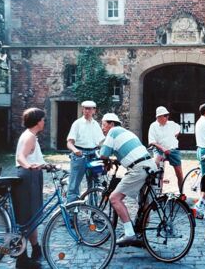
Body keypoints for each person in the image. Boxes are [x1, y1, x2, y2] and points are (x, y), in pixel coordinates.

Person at [99, 113, 157, 246]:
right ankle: (141, 236)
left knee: (114, 198)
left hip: (138, 168)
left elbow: (103, 154)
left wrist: (104, 158)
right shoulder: (126, 132)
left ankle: (129, 233)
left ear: (112, 124)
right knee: (145, 203)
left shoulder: (113, 132)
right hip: (150, 165)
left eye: (103, 124)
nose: (102, 128)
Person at [13, 108, 46, 268]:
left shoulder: (31, 136)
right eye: (43, 119)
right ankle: (21, 259)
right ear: (38, 121)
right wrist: (29, 166)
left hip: (32, 176)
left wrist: (45, 165)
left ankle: (35, 249)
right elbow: (21, 157)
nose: (44, 122)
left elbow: (32, 157)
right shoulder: (30, 137)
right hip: (27, 177)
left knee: (32, 216)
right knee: (26, 218)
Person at [66, 100, 105, 203]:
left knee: (94, 185)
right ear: (82, 110)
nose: (87, 111)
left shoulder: (96, 124)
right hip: (80, 154)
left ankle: (93, 213)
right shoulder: (77, 123)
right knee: (74, 184)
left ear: (94, 111)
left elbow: (101, 142)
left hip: (93, 154)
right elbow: (69, 143)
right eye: (85, 108)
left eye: (89, 109)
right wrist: (75, 150)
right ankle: (71, 213)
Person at [148, 106, 183, 192]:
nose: (165, 118)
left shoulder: (172, 124)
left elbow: (178, 130)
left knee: (179, 172)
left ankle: (181, 192)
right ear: (158, 117)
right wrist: (163, 148)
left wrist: (174, 139)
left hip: (173, 149)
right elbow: (152, 142)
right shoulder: (153, 126)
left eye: (166, 116)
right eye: (160, 117)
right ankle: (158, 191)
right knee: (158, 168)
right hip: (159, 149)